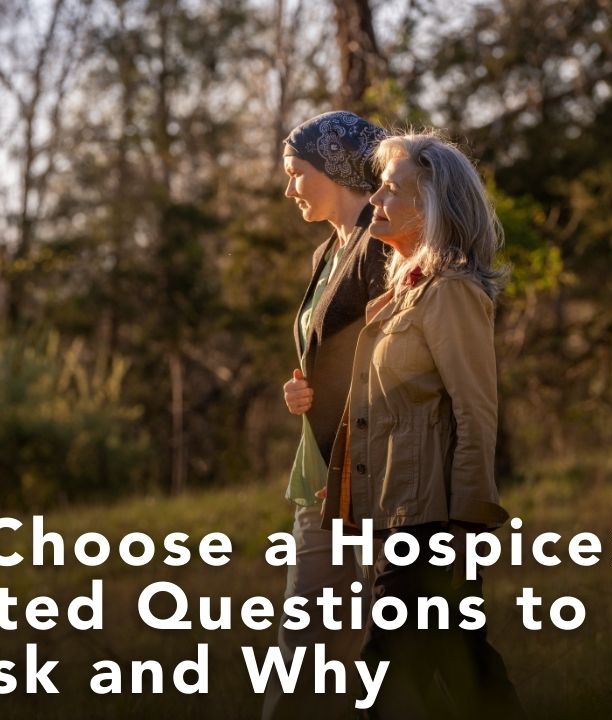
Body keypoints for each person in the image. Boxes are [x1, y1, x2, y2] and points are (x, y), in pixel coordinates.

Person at [322, 130, 525, 719]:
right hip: (395, 520)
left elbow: (475, 412)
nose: (376, 202)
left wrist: (466, 523)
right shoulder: (401, 296)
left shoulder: (452, 293)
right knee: (467, 672)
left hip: (431, 528)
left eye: (391, 190)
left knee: (381, 681)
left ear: (431, 207)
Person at [265, 111, 390, 720]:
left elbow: (396, 359)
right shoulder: (326, 252)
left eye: (297, 173)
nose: (290, 188)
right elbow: (329, 356)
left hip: (369, 478)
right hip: (320, 474)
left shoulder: (381, 245)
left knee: (366, 653)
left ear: (335, 168)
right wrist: (304, 392)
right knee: (308, 651)